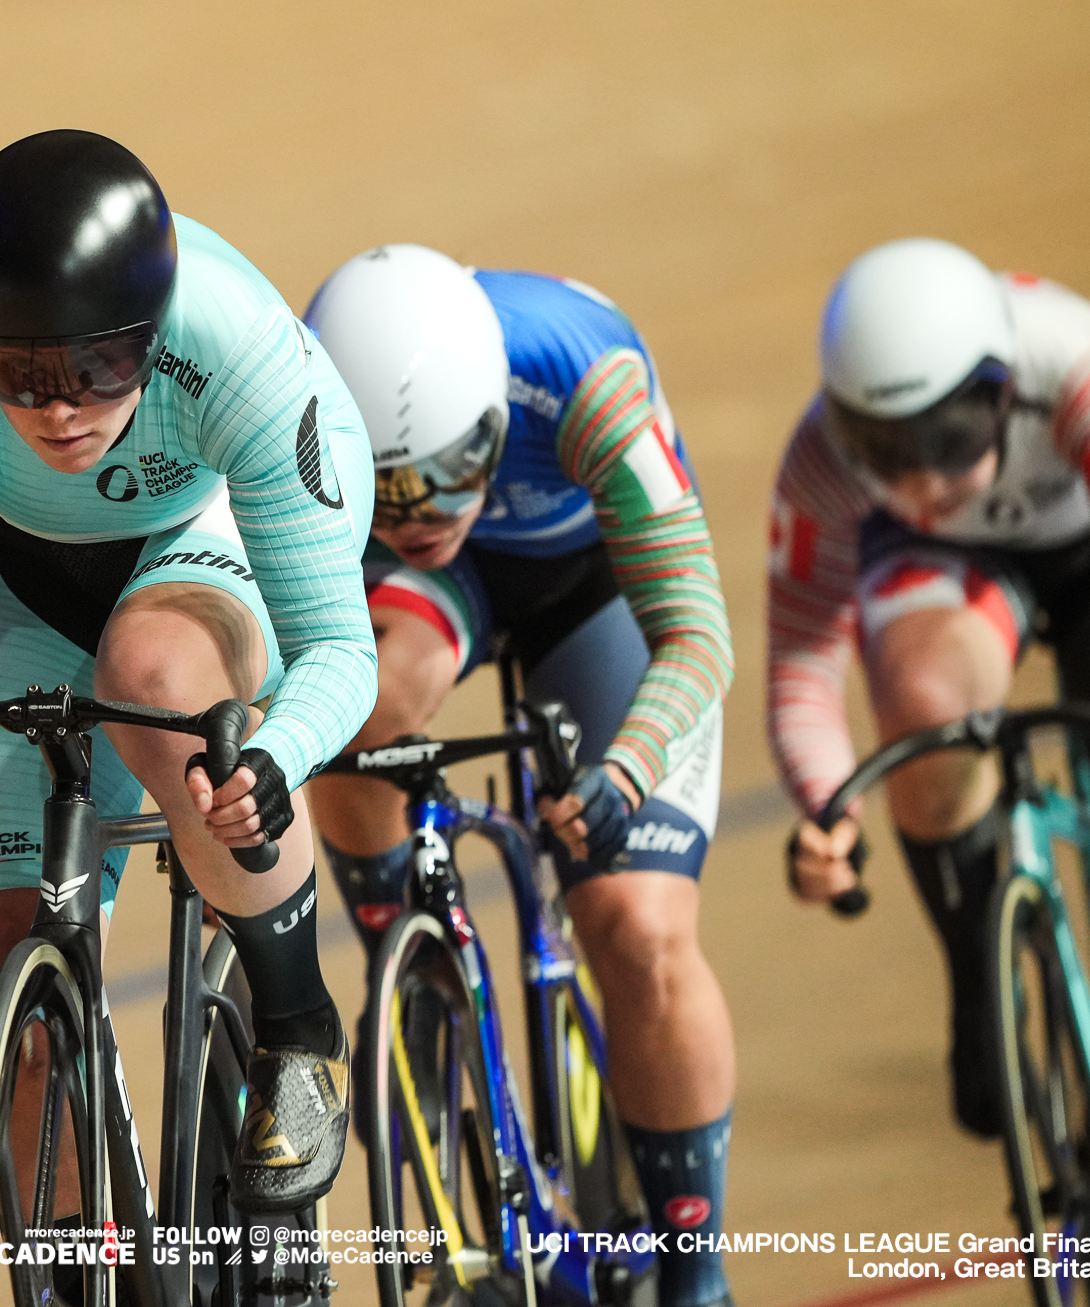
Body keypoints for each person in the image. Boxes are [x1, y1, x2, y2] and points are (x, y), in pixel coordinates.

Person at [0, 130, 377, 1220]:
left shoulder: (229, 344)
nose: (60, 409)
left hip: (208, 529)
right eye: (20, 375)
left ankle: (295, 1019)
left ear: (151, 333)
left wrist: (275, 755)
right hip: (11, 560)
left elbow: (340, 648)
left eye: (99, 368)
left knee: (150, 669)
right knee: (10, 979)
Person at [303, 245, 738, 1307]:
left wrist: (626, 771)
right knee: (352, 709)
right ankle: (399, 966)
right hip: (430, 594)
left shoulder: (589, 384)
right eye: (390, 487)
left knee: (638, 928)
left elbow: (697, 634)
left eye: (454, 470)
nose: (423, 507)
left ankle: (694, 1273)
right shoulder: (305, 406)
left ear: (497, 419)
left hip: (590, 583)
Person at [772, 237, 1090, 1139]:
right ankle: (980, 977)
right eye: (883, 448)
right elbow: (802, 661)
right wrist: (829, 808)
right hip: (945, 571)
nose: (921, 478)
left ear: (1002, 386)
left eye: (947, 439)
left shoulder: (1073, 361)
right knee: (923, 703)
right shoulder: (819, 459)